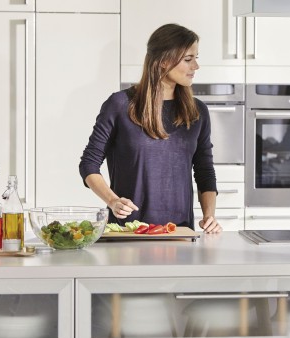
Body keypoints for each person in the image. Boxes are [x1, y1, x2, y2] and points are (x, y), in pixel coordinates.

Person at [79, 23, 222, 233]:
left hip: (179, 231)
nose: (195, 67)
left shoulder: (197, 111)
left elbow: (204, 171)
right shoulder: (119, 105)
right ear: (164, 61)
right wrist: (113, 200)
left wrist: (209, 215)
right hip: (128, 231)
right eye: (188, 59)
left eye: (196, 58)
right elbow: (89, 164)